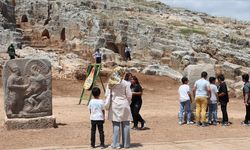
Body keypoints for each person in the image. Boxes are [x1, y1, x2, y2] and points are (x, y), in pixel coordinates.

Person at [105, 66, 132, 149]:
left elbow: (107, 94)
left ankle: (116, 144)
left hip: (114, 105)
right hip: (124, 104)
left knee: (116, 125)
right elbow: (129, 95)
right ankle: (126, 144)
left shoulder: (110, 83)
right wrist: (128, 102)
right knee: (126, 124)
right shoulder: (126, 83)